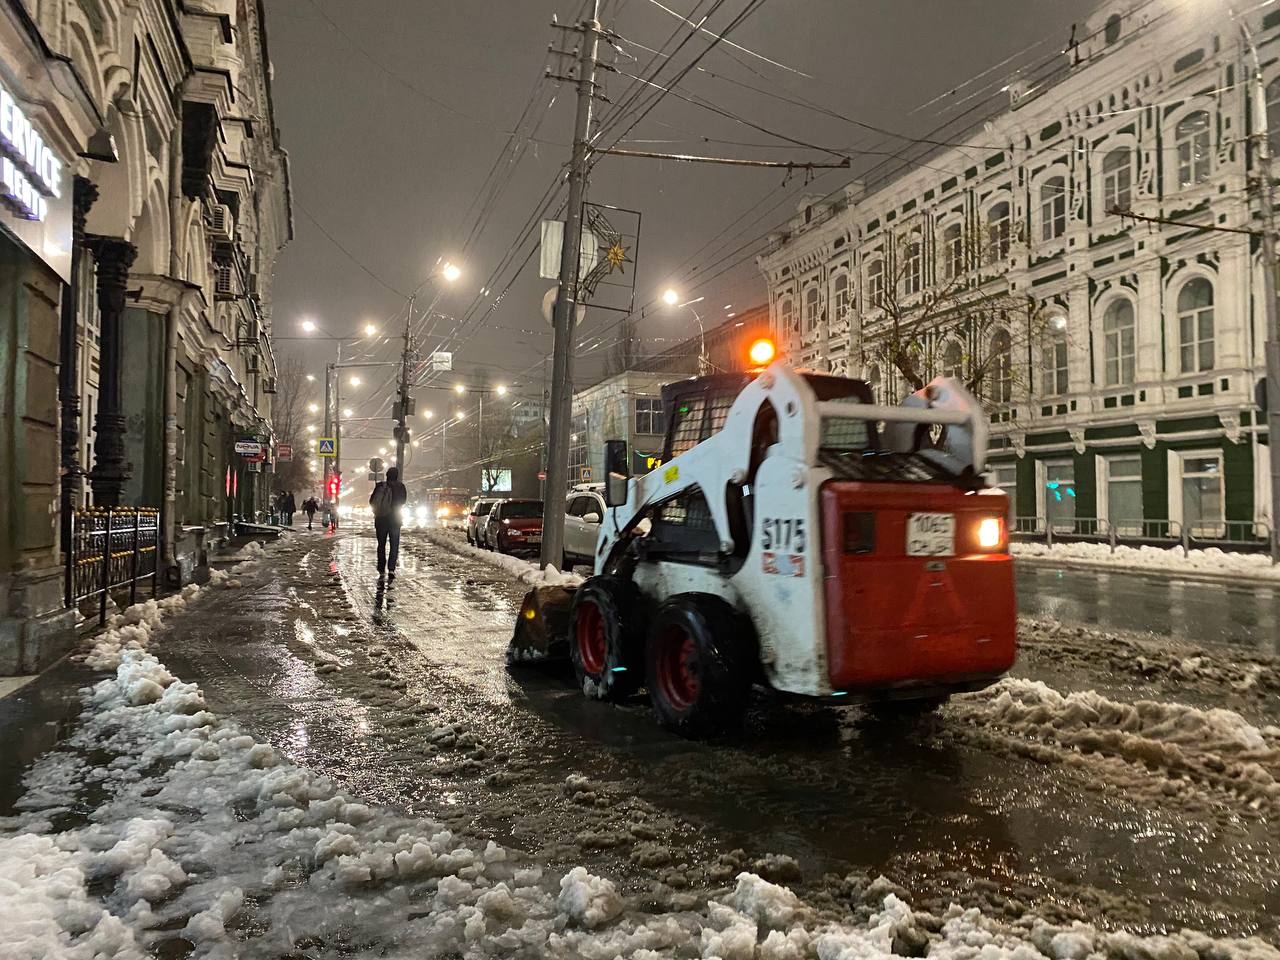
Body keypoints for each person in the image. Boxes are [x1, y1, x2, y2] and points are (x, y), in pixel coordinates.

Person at [369, 467, 408, 579]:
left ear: (387, 475)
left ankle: (381, 569)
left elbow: (372, 501)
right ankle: (391, 569)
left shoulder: (380, 486)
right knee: (394, 545)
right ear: (397, 476)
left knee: (381, 545)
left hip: (381, 519)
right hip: (395, 519)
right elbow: (403, 501)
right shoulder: (400, 487)